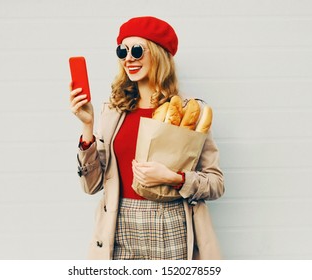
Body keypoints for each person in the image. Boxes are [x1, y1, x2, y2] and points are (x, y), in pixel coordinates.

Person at [69, 16, 224, 260]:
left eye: (138, 50)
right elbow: (92, 185)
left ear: (158, 54)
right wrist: (87, 126)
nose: (128, 58)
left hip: (171, 225)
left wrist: (174, 178)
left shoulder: (190, 112)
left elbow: (215, 183)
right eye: (123, 51)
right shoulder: (113, 111)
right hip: (118, 227)